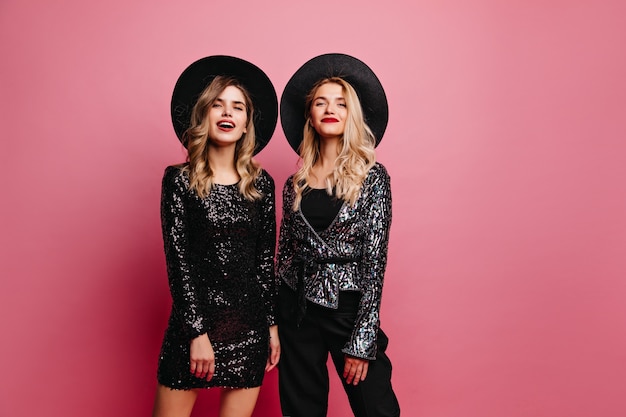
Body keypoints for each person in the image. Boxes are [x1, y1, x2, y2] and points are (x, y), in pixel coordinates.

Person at [153, 56, 280, 417]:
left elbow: (262, 263)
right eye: (217, 105)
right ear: (204, 116)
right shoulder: (178, 180)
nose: (227, 113)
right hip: (193, 329)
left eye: (237, 107)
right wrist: (196, 333)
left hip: (249, 329)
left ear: (245, 124)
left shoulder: (261, 185)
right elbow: (178, 262)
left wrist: (271, 326)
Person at [276, 53, 400, 417]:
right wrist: (274, 318)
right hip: (296, 306)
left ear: (352, 116)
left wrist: (363, 338)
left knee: (377, 408)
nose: (331, 109)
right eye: (321, 102)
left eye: (341, 103)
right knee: (302, 409)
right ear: (310, 117)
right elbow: (284, 254)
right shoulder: (293, 185)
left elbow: (375, 262)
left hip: (348, 306)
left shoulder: (373, 178)